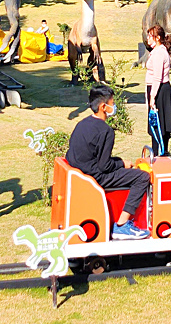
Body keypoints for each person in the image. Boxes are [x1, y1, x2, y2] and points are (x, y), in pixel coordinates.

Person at [65, 86, 150, 240]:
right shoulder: (106, 131)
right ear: (103, 107)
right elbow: (104, 166)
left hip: (81, 173)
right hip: (95, 177)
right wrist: (121, 163)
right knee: (142, 177)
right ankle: (122, 225)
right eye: (113, 103)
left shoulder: (82, 124)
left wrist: (118, 162)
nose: (114, 106)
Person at [145, 25, 171, 154]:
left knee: (158, 125)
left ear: (157, 38)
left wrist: (152, 97)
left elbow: (157, 77)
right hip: (158, 90)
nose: (147, 38)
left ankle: (159, 155)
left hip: (159, 91)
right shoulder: (157, 51)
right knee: (158, 126)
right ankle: (159, 153)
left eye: (150, 36)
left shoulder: (159, 53)